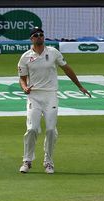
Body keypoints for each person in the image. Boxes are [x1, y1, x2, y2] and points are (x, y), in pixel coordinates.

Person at [17, 27, 91, 174]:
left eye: (41, 35)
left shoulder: (53, 52)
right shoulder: (25, 57)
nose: (39, 37)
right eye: (36, 35)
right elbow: (22, 78)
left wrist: (80, 86)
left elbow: (67, 69)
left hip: (50, 95)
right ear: (31, 39)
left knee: (51, 130)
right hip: (34, 96)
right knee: (32, 129)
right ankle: (27, 160)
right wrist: (25, 88)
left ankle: (48, 162)